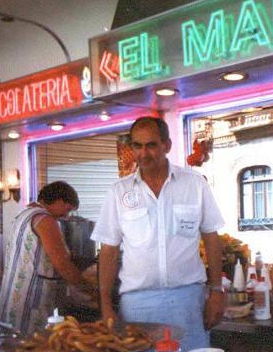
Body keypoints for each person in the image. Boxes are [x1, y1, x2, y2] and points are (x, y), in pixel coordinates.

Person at [91, 116, 225, 352]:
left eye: (151, 145)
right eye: (137, 146)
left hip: (188, 301)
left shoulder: (194, 184)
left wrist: (216, 291)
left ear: (167, 146)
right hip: (137, 305)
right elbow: (109, 251)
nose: (144, 153)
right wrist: (106, 306)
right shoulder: (118, 192)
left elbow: (212, 238)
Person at [0, 181, 97, 334]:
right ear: (59, 201)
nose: (66, 215)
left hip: (12, 299)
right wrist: (91, 290)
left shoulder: (23, 215)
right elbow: (62, 265)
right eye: (67, 209)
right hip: (32, 302)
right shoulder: (45, 220)